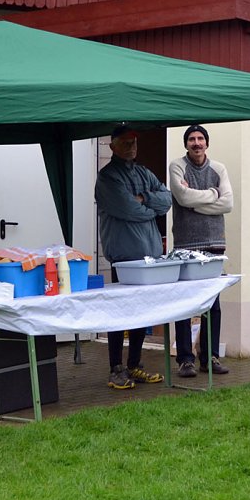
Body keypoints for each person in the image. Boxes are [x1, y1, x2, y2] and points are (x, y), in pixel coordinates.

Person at [94, 125, 172, 389]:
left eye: (134, 142)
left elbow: (167, 200)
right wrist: (151, 209)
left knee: (142, 311)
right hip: (124, 257)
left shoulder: (143, 173)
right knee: (120, 311)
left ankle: (134, 365)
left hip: (149, 257)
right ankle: (116, 368)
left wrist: (144, 199)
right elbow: (128, 209)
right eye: (125, 143)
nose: (131, 147)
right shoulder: (107, 178)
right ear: (112, 146)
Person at [169, 124, 232, 377]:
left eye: (200, 138)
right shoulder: (177, 166)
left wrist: (196, 203)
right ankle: (185, 360)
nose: (196, 143)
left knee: (213, 304)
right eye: (192, 139)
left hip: (214, 243)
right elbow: (182, 198)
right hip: (186, 245)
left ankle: (210, 357)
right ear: (186, 144)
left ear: (207, 143)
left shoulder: (219, 168)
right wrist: (213, 194)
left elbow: (228, 203)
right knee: (184, 303)